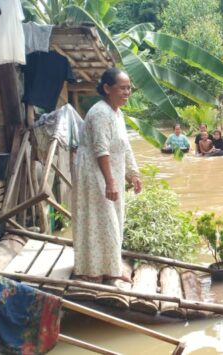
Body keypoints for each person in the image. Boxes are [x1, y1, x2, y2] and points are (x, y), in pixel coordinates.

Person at [72, 68, 142, 283]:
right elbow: (101, 149)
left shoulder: (116, 112)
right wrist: (109, 182)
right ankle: (91, 270)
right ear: (107, 88)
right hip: (95, 174)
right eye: (122, 88)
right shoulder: (100, 112)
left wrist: (133, 173)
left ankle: (111, 266)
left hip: (112, 172)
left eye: (129, 88)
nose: (127, 92)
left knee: (114, 220)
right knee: (99, 221)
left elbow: (124, 145)